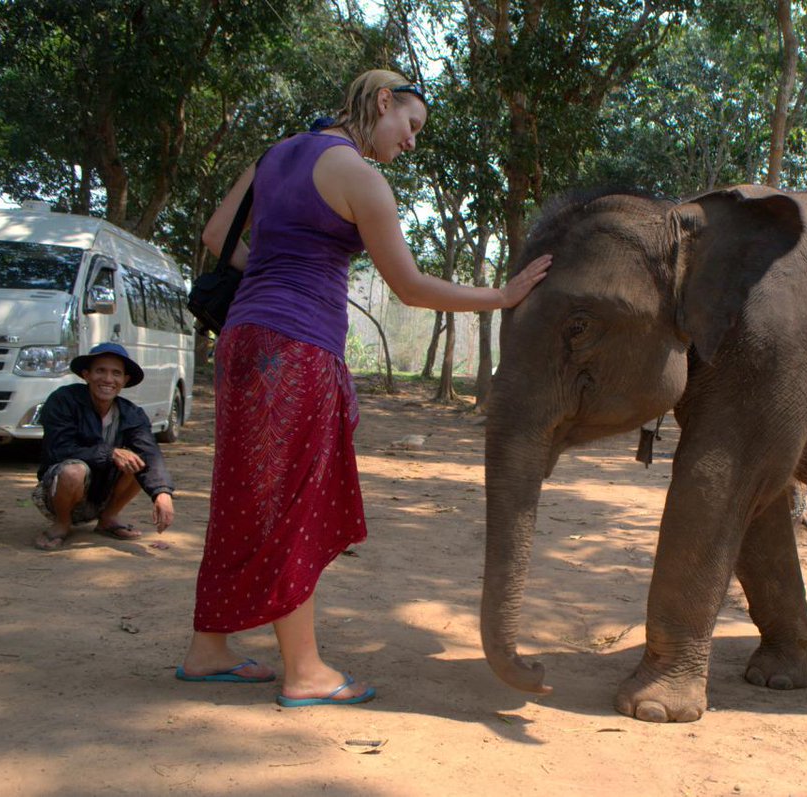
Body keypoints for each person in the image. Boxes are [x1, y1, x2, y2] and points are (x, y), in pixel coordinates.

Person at [179, 68, 551, 706]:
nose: (410, 143)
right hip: (296, 350)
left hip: (242, 342)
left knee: (244, 493)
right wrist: (503, 296)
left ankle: (208, 648)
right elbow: (409, 287)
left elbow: (217, 238)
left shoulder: (273, 156)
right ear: (384, 101)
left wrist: (273, 277)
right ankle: (304, 673)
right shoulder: (360, 177)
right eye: (410, 126)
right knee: (290, 500)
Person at [31, 342, 176, 551]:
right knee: (73, 471)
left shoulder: (132, 413)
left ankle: (109, 518)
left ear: (124, 380)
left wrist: (162, 493)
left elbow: (150, 453)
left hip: (103, 491)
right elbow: (57, 449)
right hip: (61, 490)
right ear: (86, 375)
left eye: (116, 373)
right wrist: (110, 453)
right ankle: (62, 524)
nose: (108, 379)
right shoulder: (63, 401)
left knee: (138, 460)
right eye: (101, 371)